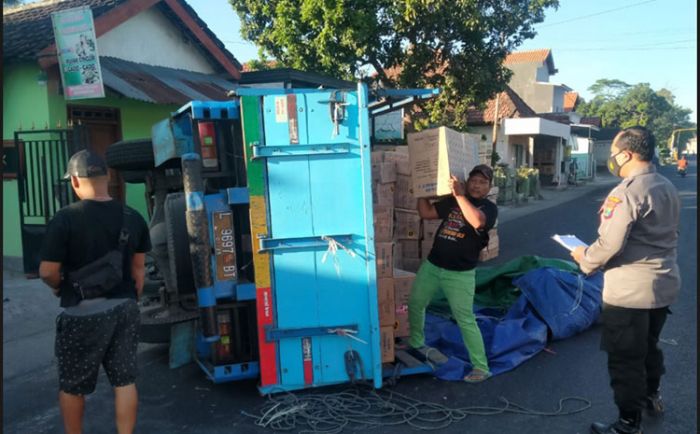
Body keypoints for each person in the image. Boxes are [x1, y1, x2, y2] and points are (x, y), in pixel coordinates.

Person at [570, 126, 681, 434]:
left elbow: (609, 245)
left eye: (614, 152)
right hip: (664, 284)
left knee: (625, 358)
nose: (612, 158)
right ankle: (651, 397)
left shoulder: (627, 192)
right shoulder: (666, 186)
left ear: (627, 154)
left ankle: (628, 424)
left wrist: (583, 257)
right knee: (649, 346)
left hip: (630, 292)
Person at [39, 149, 151, 434]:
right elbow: (139, 270)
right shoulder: (133, 217)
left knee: (73, 387)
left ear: (75, 181)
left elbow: (48, 272)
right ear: (108, 176)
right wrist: (130, 300)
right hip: (124, 309)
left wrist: (57, 288)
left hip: (82, 314)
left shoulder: (65, 219)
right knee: (124, 381)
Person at [408, 164, 498, 383]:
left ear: (489, 187)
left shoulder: (488, 208)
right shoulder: (452, 201)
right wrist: (422, 191)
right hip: (433, 264)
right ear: (467, 182)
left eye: (482, 183)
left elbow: (476, 220)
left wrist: (459, 195)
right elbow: (426, 213)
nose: (477, 186)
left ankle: (481, 366)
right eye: (474, 181)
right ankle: (416, 342)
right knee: (416, 303)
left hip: (460, 274)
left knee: (465, 319)